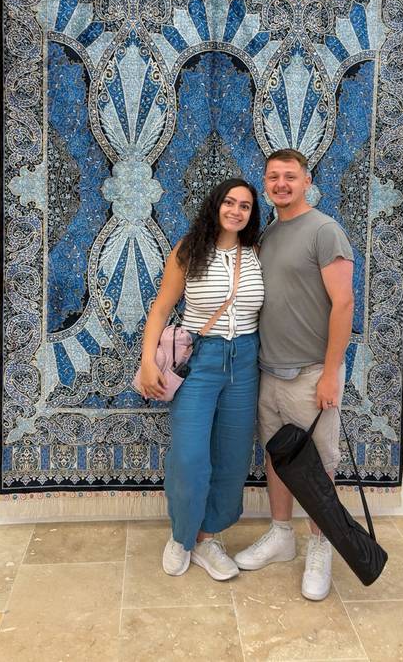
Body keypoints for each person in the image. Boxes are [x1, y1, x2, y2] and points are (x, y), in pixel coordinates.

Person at [234, 149, 354, 601]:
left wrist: (330, 373)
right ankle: (281, 535)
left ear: (306, 180)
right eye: (272, 177)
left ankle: (320, 547)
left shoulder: (325, 230)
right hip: (270, 371)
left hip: (311, 373)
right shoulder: (268, 233)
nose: (280, 183)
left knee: (319, 466)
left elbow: (343, 304)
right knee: (278, 458)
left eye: (289, 176)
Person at [139, 178, 264, 581]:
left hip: (245, 361)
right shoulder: (189, 250)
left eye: (244, 206)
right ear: (216, 205)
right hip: (201, 359)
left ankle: (208, 537)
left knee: (230, 457)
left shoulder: (257, 253)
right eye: (229, 202)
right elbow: (160, 309)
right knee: (190, 455)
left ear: (251, 214)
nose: (236, 211)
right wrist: (147, 362)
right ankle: (182, 536)